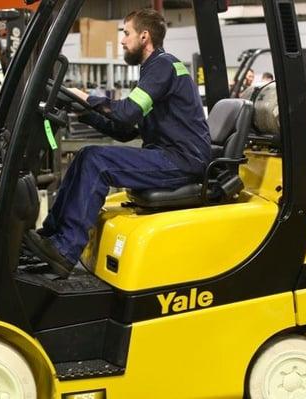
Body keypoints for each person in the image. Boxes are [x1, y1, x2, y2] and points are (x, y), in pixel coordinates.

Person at [30, 8, 211, 278]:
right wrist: (83, 112)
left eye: (126, 33)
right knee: (85, 155)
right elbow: (125, 129)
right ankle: (52, 234)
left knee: (97, 161)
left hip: (181, 161)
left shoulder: (163, 66)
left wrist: (88, 98)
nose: (122, 40)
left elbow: (125, 113)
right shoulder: (155, 70)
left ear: (145, 36)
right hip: (170, 155)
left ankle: (65, 249)